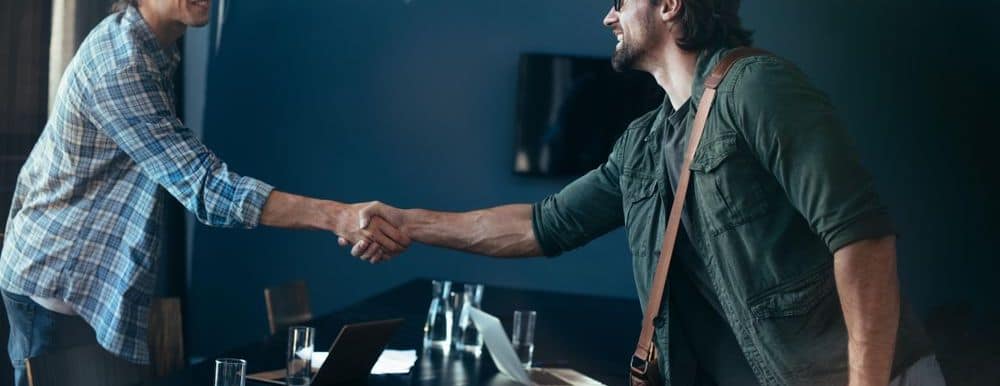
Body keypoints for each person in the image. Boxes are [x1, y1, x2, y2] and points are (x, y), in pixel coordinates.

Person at [345, 0, 944, 385]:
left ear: (668, 4)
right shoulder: (644, 143)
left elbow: (862, 239)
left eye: (618, 2)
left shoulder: (759, 88)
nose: (608, 17)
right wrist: (409, 223)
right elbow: (540, 224)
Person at [0, 1, 407, 384]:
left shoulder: (154, 49)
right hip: (58, 286)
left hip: (85, 284)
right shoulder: (120, 64)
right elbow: (207, 188)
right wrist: (340, 217)